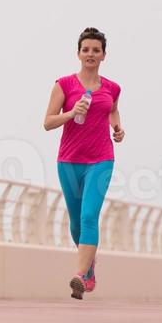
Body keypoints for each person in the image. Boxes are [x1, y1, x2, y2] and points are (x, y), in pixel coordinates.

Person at [42, 27, 125, 300]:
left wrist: (117, 128)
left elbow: (111, 109)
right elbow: (47, 123)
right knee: (77, 224)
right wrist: (71, 113)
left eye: (96, 50)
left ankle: (78, 276)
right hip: (69, 161)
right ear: (78, 53)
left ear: (103, 55)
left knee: (90, 216)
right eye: (86, 49)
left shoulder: (112, 88)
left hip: (101, 159)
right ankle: (89, 269)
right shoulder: (64, 85)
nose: (90, 54)